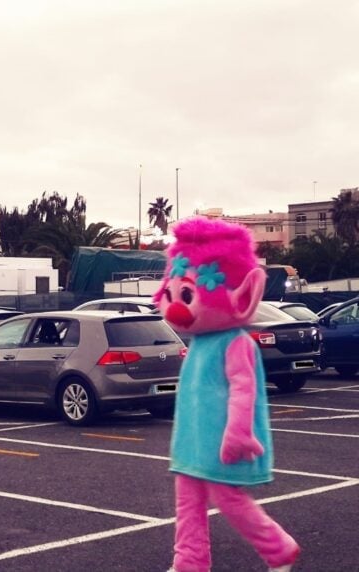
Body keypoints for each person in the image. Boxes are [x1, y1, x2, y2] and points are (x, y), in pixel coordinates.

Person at [154, 217, 300, 572]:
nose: (175, 307)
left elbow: (243, 391)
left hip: (223, 443)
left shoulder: (236, 343)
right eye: (172, 294)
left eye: (187, 295)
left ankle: (279, 548)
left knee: (230, 499)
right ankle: (189, 562)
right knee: (187, 504)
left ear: (242, 294)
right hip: (191, 441)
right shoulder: (199, 343)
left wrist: (238, 432)